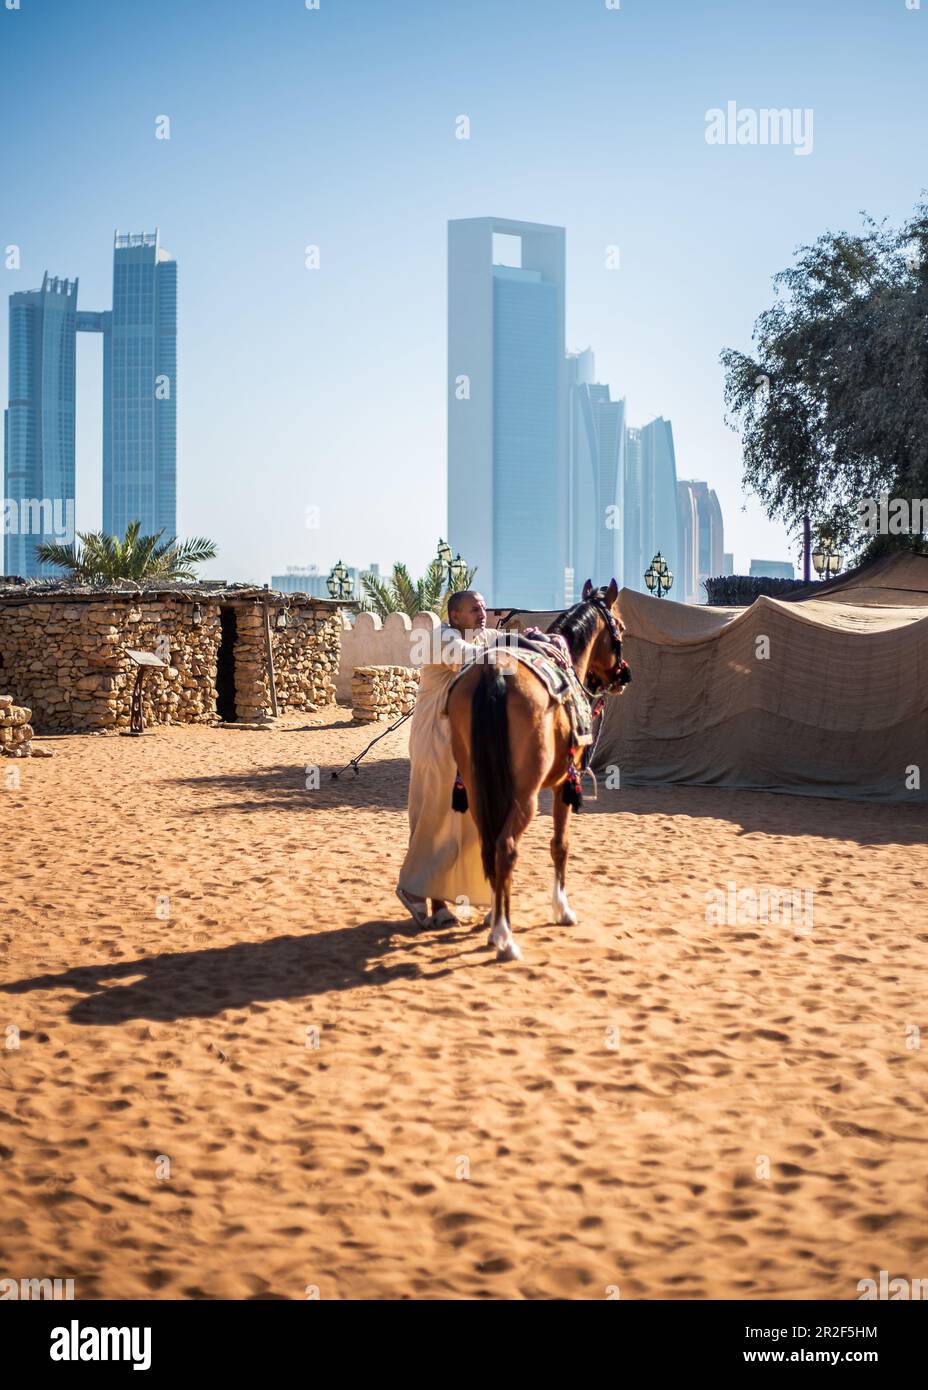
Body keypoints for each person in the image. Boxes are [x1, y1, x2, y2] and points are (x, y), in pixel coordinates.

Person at [395, 590, 501, 927]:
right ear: (455, 616)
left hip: (462, 745)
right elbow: (474, 658)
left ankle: (445, 903)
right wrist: (515, 648)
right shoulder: (442, 638)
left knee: (462, 823)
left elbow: (503, 653)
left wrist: (529, 641)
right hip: (433, 742)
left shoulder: (483, 636)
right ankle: (415, 891)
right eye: (474, 609)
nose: (482, 612)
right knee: (434, 818)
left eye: (483, 606)